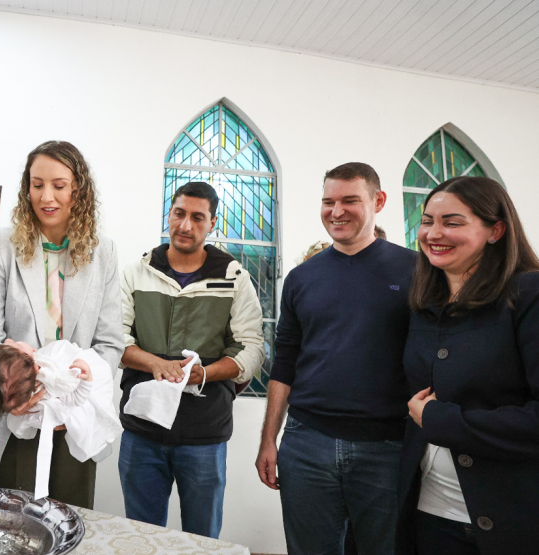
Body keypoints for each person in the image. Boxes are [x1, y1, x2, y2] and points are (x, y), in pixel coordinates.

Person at [255, 162, 416, 555]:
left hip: (385, 446)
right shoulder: (301, 278)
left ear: (378, 201)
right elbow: (285, 361)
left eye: (349, 200)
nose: (336, 211)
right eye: (328, 201)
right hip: (307, 442)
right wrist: (268, 439)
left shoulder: (415, 269)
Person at [0, 140, 124, 509]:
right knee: (2, 522)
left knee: (65, 524)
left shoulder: (103, 252)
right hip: (9, 415)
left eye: (58, 184)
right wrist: (17, 389)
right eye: (37, 184)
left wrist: (80, 387)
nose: (46, 196)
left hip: (74, 418)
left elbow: (110, 342)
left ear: (78, 190)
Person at [398, 176, 539, 555]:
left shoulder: (528, 295)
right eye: (427, 221)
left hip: (509, 513)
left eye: (453, 222)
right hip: (430, 511)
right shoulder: (424, 304)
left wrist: (442, 421)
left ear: (495, 230)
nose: (434, 233)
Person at [118, 181, 265, 539]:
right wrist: (154, 363)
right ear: (169, 214)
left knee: (201, 541)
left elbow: (252, 349)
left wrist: (204, 374)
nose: (185, 225)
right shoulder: (135, 273)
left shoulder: (235, 278)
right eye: (179, 214)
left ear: (212, 223)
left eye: (198, 218)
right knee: (142, 537)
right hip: (143, 432)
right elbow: (113, 339)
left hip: (204, 435)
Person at [0, 339, 122, 500]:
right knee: (14, 502)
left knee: (70, 501)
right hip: (11, 437)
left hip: (62, 424)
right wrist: (86, 381)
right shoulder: (50, 377)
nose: (9, 339)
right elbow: (74, 398)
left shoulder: (39, 373)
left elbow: (110, 342)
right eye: (16, 345)